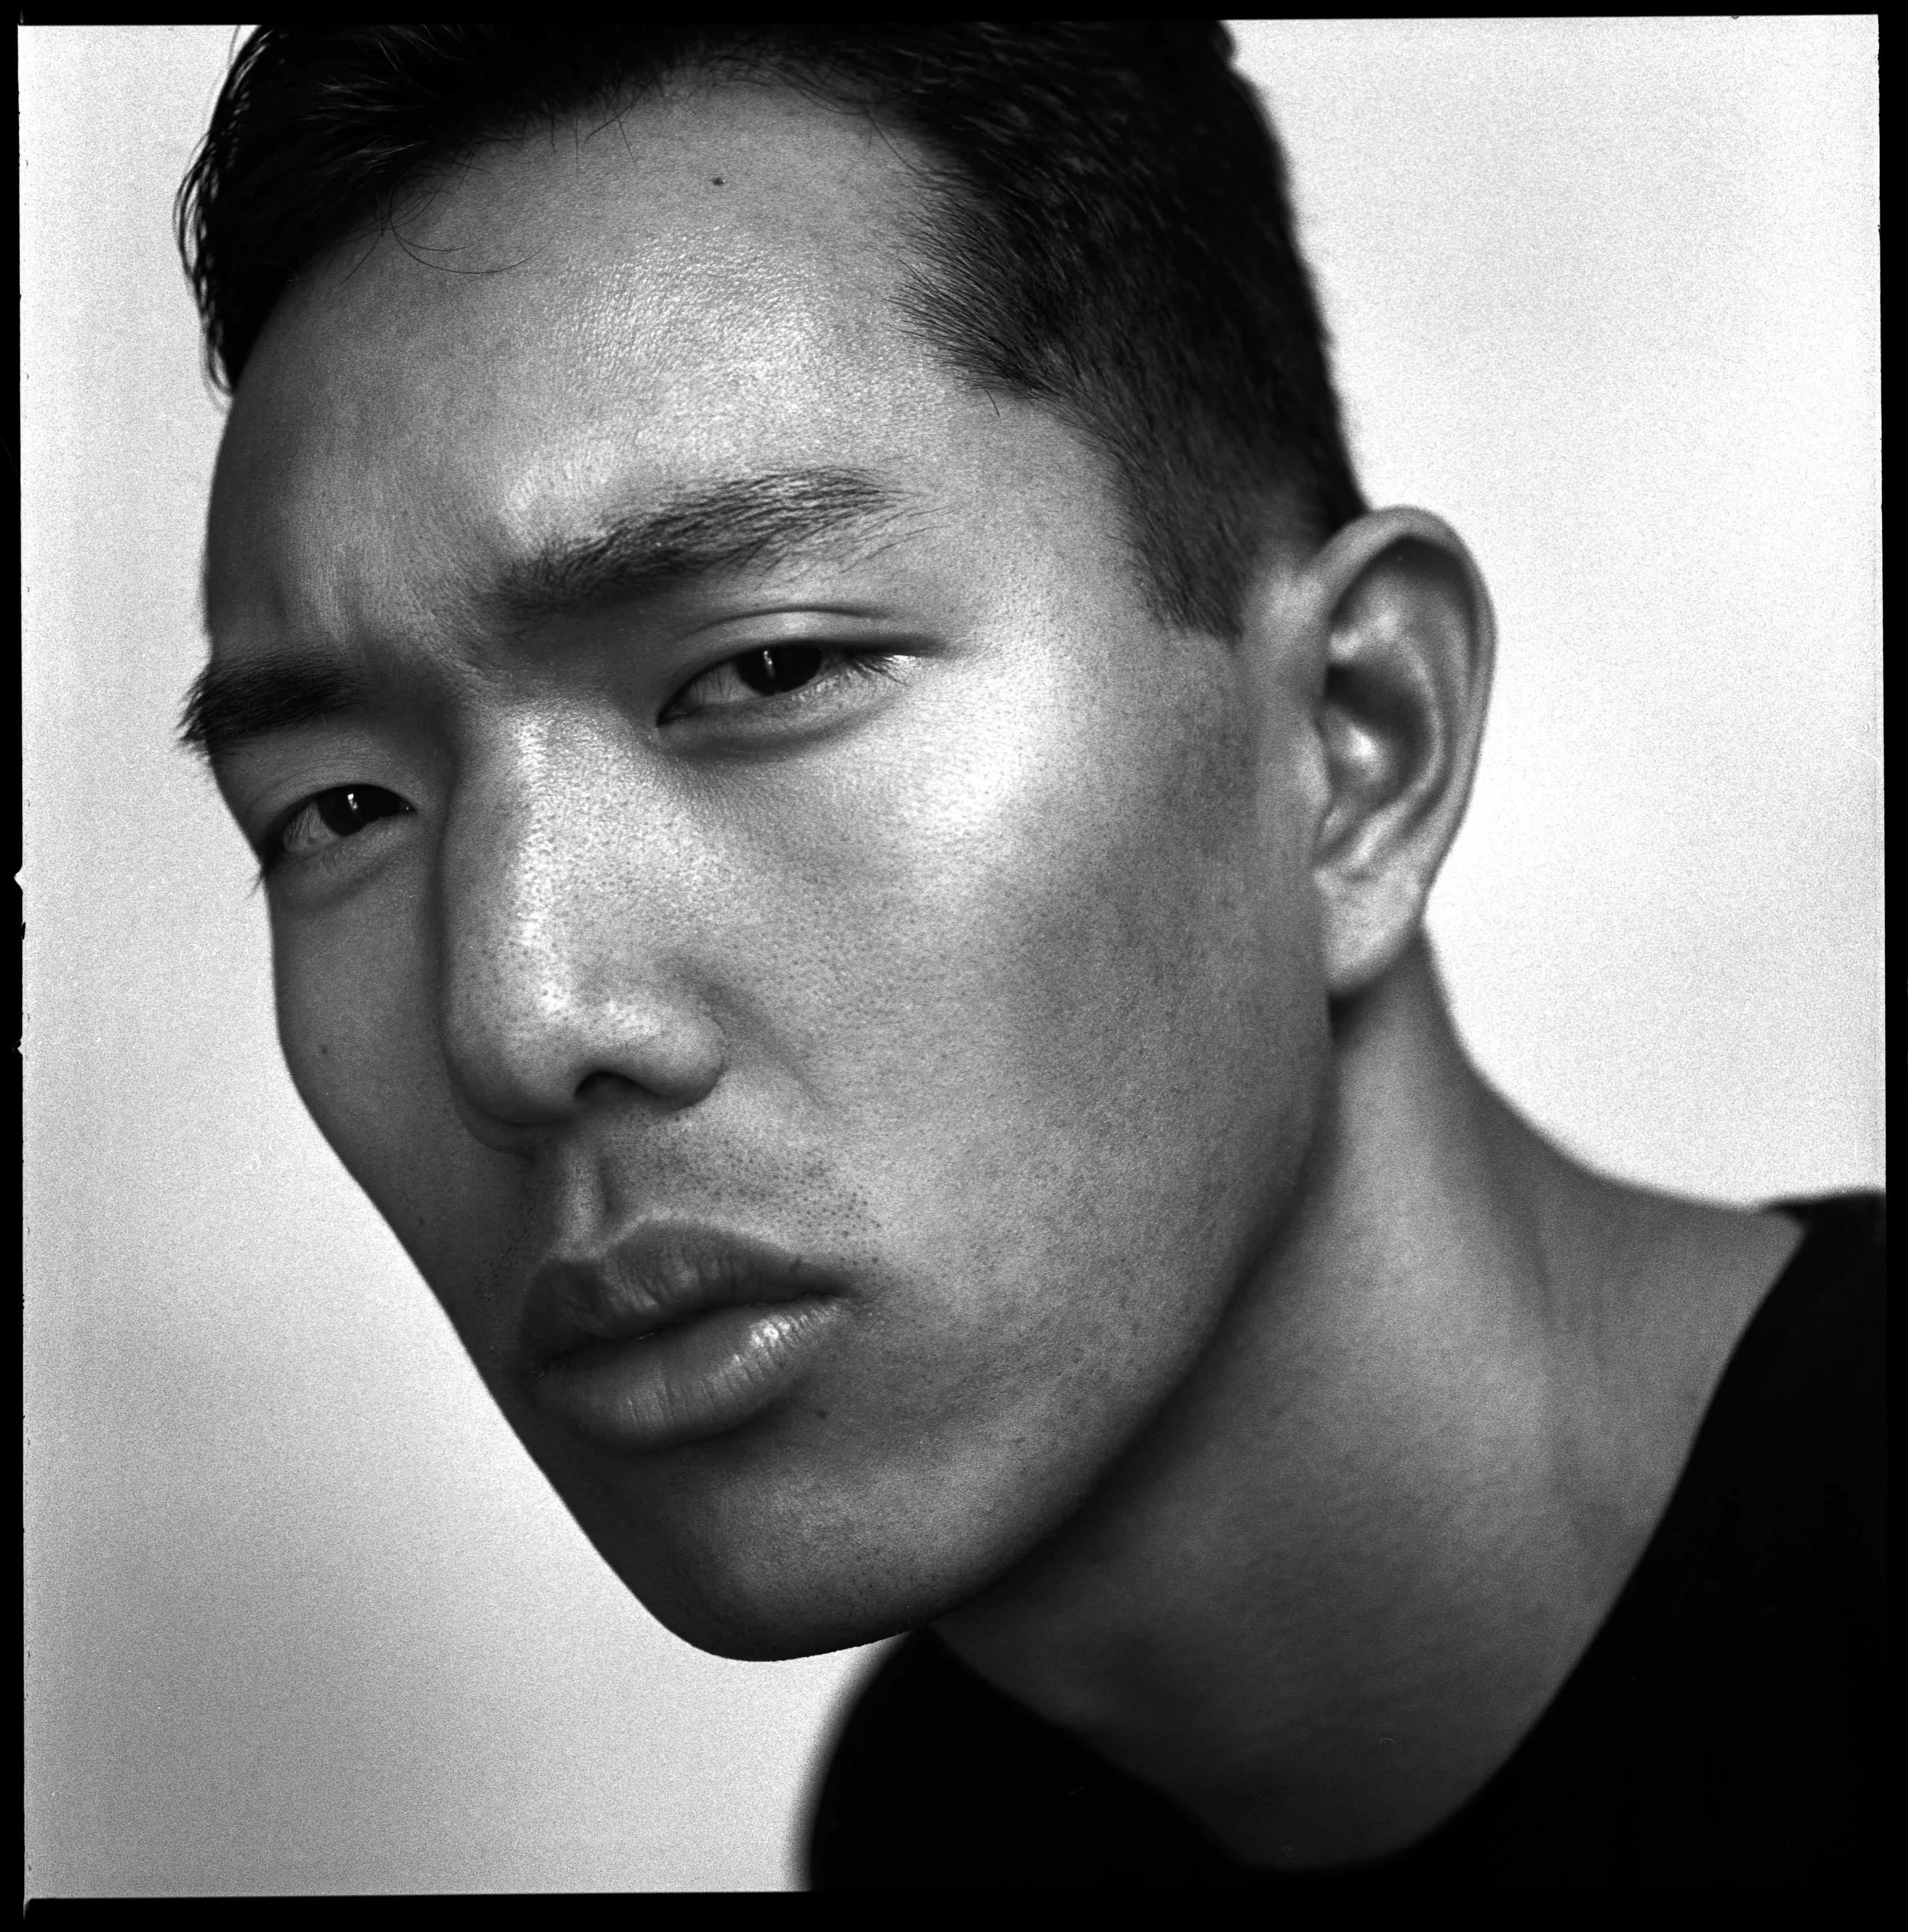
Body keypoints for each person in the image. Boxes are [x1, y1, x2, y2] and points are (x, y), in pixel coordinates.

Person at [173, 24, 1882, 1888]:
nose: (515, 1015)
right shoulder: (951, 1815)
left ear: (1352, 744)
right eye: (339, 809)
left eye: (765, 669)